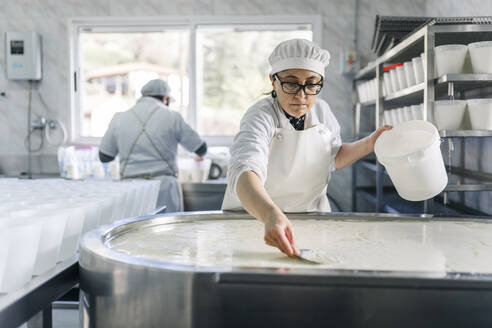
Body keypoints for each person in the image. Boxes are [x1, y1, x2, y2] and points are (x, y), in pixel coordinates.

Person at [221, 39, 391, 257]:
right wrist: (270, 214)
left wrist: (370, 143)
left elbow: (333, 156)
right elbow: (244, 170)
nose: (301, 95)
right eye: (291, 84)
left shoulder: (322, 111)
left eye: (311, 84)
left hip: (311, 222)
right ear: (273, 81)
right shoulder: (261, 116)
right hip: (256, 222)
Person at [99, 79, 207, 213]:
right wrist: (198, 156)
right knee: (167, 232)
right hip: (164, 188)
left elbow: (105, 156)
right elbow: (200, 148)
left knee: (133, 232)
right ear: (166, 98)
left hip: (130, 189)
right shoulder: (173, 117)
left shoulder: (119, 118)